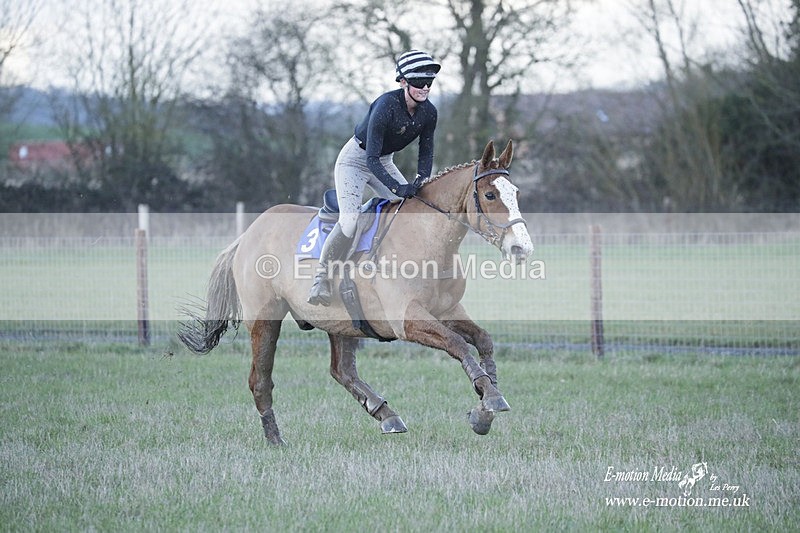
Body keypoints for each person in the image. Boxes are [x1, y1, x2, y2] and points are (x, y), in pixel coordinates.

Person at [307, 49, 441, 306]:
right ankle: (321, 277)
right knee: (350, 221)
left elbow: (426, 151)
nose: (425, 87)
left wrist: (420, 180)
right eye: (418, 82)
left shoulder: (429, 113)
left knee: (412, 210)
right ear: (403, 82)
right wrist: (396, 187)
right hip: (355, 161)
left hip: (384, 161)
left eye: (429, 82)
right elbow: (370, 159)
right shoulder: (385, 106)